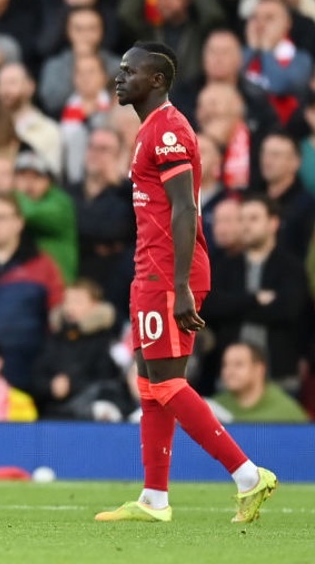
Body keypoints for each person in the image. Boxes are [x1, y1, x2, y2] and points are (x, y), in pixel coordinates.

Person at [95, 41, 277, 525]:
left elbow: (184, 208)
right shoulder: (150, 128)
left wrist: (179, 285)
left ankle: (247, 475)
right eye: (119, 69)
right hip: (150, 268)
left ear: (156, 80)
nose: (119, 77)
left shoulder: (170, 129)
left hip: (168, 271)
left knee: (169, 381)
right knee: (150, 384)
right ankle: (155, 499)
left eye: (129, 71)